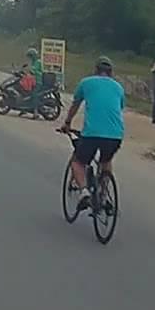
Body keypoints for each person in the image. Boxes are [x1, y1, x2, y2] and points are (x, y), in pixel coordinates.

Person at [60, 56, 125, 210]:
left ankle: (84, 192)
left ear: (95, 70)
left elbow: (75, 105)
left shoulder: (86, 82)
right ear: (111, 72)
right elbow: (118, 108)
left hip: (92, 133)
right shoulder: (118, 87)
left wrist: (67, 123)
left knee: (78, 162)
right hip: (115, 134)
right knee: (106, 161)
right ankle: (104, 195)